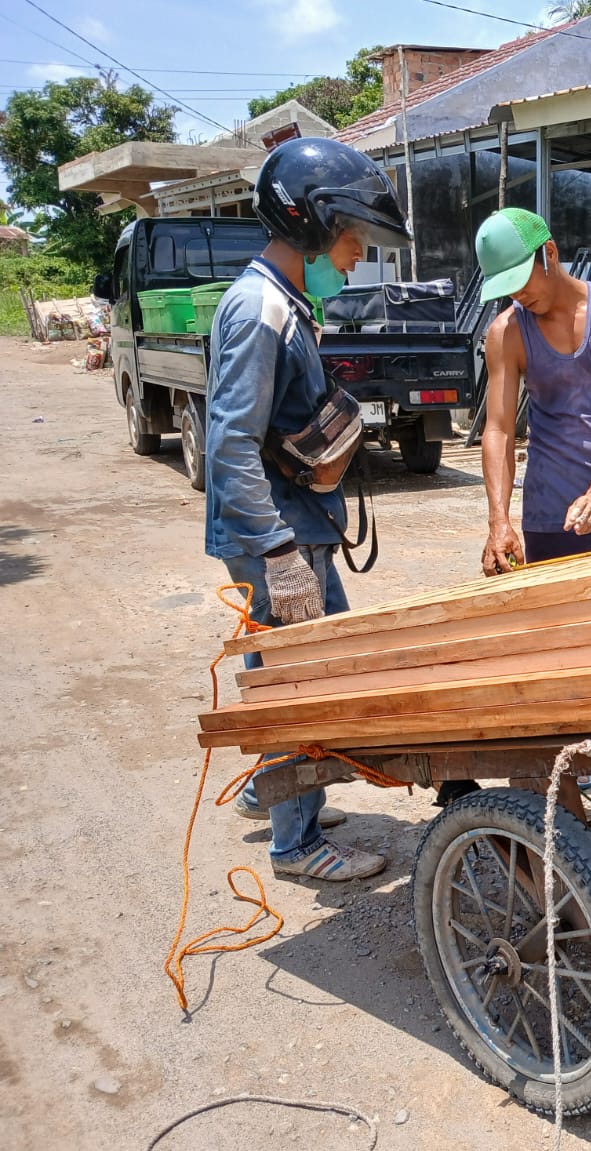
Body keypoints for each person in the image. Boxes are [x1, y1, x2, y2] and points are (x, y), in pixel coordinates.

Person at [204, 137, 412, 882]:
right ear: (316, 226)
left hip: (295, 524)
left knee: (289, 667)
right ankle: (296, 846)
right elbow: (229, 446)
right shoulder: (261, 312)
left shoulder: (284, 301)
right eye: (354, 240)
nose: (356, 257)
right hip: (279, 534)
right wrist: (279, 551)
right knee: (301, 681)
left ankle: (274, 793)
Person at [473, 207, 591, 575]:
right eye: (507, 285)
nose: (517, 293)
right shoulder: (506, 333)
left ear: (550, 253)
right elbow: (498, 429)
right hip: (549, 520)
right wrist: (498, 520)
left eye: (521, 278)